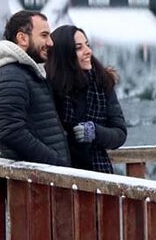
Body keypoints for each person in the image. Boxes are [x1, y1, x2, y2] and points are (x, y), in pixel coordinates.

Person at [0, 10, 70, 166]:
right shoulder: (11, 76)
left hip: (44, 178)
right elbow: (11, 132)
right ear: (22, 38)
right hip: (37, 179)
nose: (50, 43)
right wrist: (55, 163)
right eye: (44, 35)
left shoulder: (27, 73)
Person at [45, 25, 127, 173]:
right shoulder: (48, 86)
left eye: (87, 45)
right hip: (61, 173)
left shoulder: (102, 82)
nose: (88, 51)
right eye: (78, 48)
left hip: (99, 172)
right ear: (64, 54)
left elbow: (120, 133)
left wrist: (95, 132)